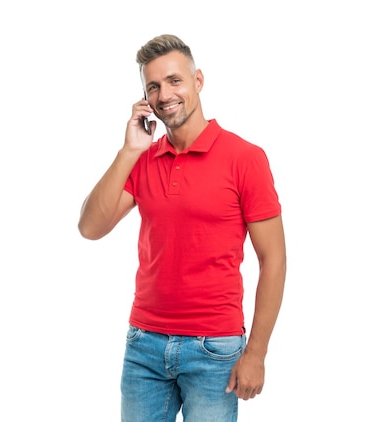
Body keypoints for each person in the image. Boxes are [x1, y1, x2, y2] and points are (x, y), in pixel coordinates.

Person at [78, 34, 286, 422]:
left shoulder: (245, 158)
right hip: (144, 345)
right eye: (153, 86)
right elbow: (90, 227)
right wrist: (129, 151)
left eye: (175, 80)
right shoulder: (142, 161)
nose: (164, 94)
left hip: (214, 350)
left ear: (198, 81)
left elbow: (273, 258)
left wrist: (256, 351)